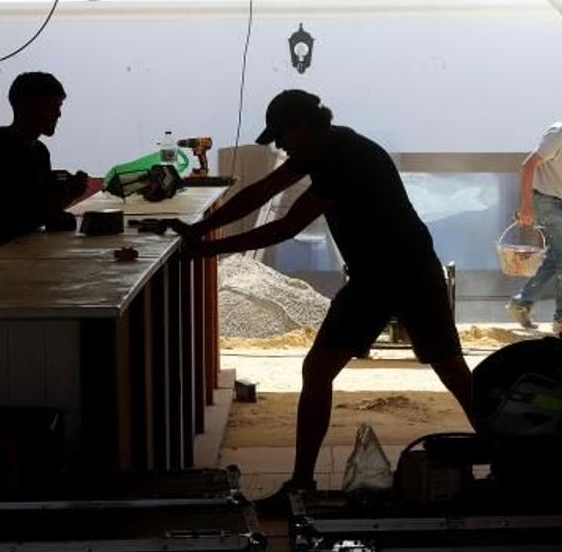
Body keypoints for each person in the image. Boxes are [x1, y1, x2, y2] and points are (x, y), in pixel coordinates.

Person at [170, 90, 474, 515]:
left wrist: (207, 249)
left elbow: (286, 228)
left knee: (450, 370)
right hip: (381, 272)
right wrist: (201, 228)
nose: (280, 147)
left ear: (303, 126)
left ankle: (515, 461)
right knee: (328, 370)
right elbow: (261, 192)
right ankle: (301, 484)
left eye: (282, 136)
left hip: (404, 271)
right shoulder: (324, 146)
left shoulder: (345, 158)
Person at [0, 72, 90, 266]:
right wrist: (66, 194)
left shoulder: (39, 151)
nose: (58, 114)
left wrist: (67, 195)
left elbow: (42, 213)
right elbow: (15, 217)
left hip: (19, 259)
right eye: (53, 105)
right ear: (27, 106)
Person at [506, 97, 562, 333]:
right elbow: (528, 166)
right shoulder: (557, 134)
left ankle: (521, 303)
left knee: (556, 259)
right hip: (544, 202)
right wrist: (526, 207)